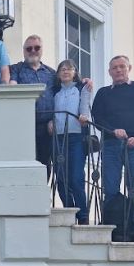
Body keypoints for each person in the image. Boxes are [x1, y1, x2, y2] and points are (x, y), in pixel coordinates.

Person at [91, 55, 134, 241]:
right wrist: (113, 130)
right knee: (110, 188)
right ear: (109, 71)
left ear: (129, 68)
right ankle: (112, 230)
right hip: (111, 145)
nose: (118, 70)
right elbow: (98, 117)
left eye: (122, 67)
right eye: (114, 68)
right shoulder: (103, 93)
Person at [48, 60, 91, 224]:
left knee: (76, 177)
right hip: (58, 138)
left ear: (75, 72)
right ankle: (70, 210)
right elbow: (52, 111)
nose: (66, 72)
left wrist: (84, 116)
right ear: (58, 74)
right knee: (60, 178)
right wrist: (50, 122)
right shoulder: (55, 91)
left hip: (75, 137)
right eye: (62, 69)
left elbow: (84, 107)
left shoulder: (81, 88)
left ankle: (83, 216)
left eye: (69, 69)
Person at [10, 35, 57, 174]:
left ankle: (43, 192)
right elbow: (10, 85)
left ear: (42, 50)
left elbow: (66, 88)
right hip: (24, 124)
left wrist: (85, 81)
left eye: (36, 47)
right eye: (29, 48)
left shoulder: (52, 73)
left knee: (44, 162)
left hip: (46, 125)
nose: (33, 51)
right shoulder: (16, 69)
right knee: (25, 162)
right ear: (24, 51)